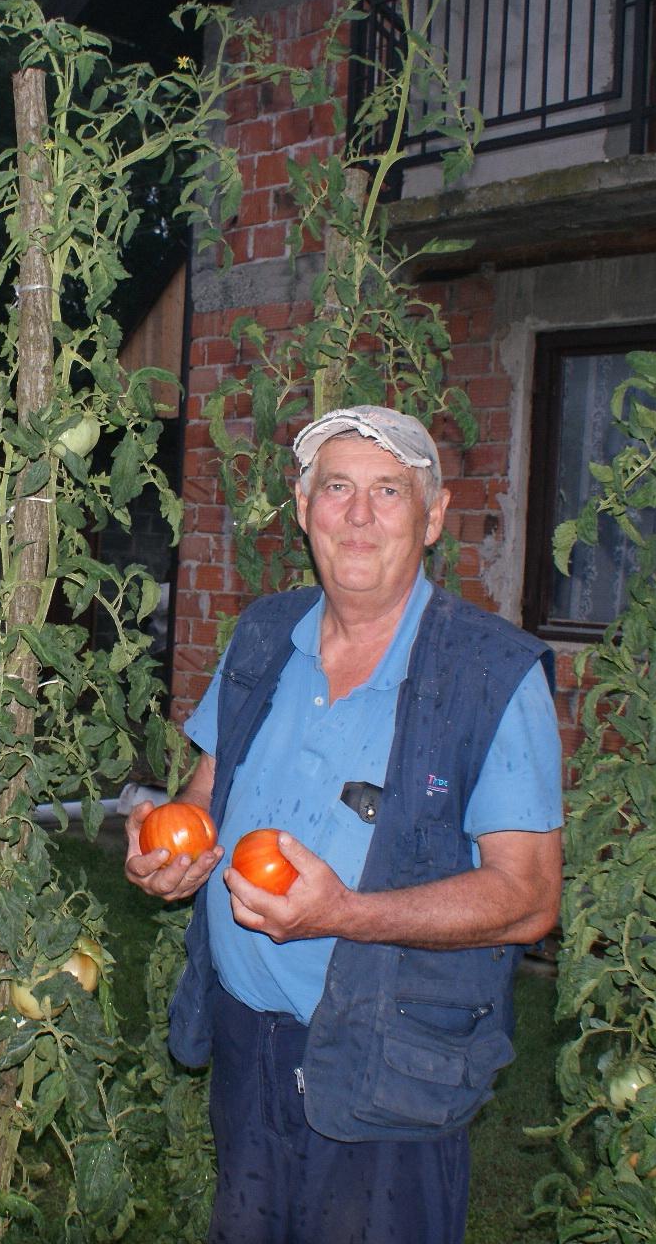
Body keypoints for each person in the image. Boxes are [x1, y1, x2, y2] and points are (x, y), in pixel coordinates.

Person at [125, 405, 564, 1244]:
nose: (358, 516)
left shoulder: (490, 675)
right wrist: (166, 846)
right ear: (302, 508)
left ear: (433, 518)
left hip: (390, 1066)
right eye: (336, 487)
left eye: (389, 491)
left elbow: (528, 898)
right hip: (249, 1046)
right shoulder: (262, 637)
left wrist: (344, 916)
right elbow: (203, 796)